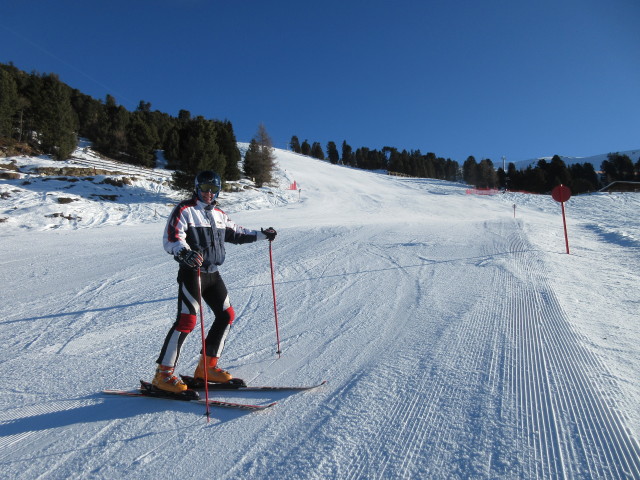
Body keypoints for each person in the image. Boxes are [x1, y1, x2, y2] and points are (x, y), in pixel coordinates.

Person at [153, 170, 277, 393]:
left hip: (212, 273)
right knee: (187, 321)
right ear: (197, 188)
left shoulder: (219, 213)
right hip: (193, 273)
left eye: (213, 189)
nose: (209, 193)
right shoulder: (185, 210)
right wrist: (184, 253)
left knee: (226, 315)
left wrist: (262, 234)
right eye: (204, 188)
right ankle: (163, 375)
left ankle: (207, 368)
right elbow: (173, 239)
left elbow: (236, 233)